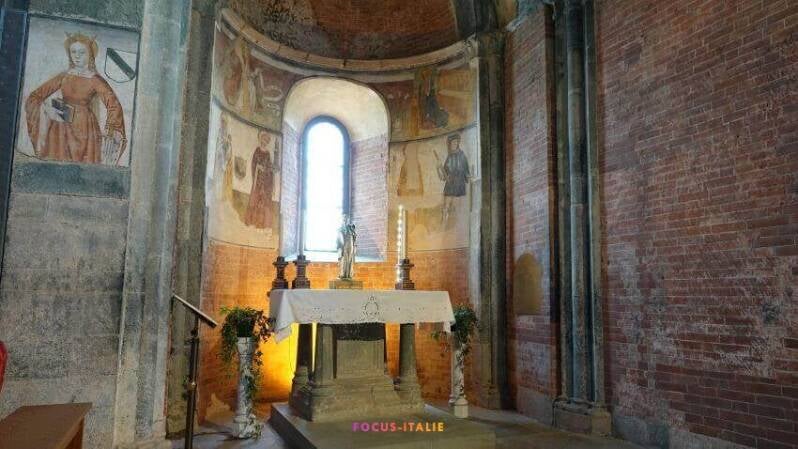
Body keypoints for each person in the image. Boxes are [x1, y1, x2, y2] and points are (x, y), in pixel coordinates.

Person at [25, 33, 126, 165]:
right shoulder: (64, 76)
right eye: (73, 52)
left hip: (85, 129)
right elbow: (35, 96)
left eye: (82, 52)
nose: (77, 56)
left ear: (90, 54)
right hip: (61, 126)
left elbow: (114, 104)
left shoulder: (95, 79)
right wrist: (47, 108)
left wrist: (111, 128)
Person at [244, 130, 275, 229]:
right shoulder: (257, 150)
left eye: (266, 140)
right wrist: (257, 168)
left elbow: (269, 168)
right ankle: (251, 222)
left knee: (264, 203)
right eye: (263, 139)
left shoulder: (268, 154)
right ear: (260, 139)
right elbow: (253, 164)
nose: (264, 141)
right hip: (257, 180)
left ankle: (261, 225)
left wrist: (266, 170)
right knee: (254, 199)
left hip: (265, 182)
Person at [436, 133, 470, 227]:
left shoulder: (462, 156)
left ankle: (458, 225)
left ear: (458, 143)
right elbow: (443, 176)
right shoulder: (449, 157)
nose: (453, 144)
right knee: (446, 205)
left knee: (458, 207)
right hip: (450, 184)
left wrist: (467, 178)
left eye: (455, 142)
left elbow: (467, 173)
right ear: (450, 144)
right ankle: (444, 222)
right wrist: (438, 168)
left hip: (459, 185)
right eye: (452, 143)